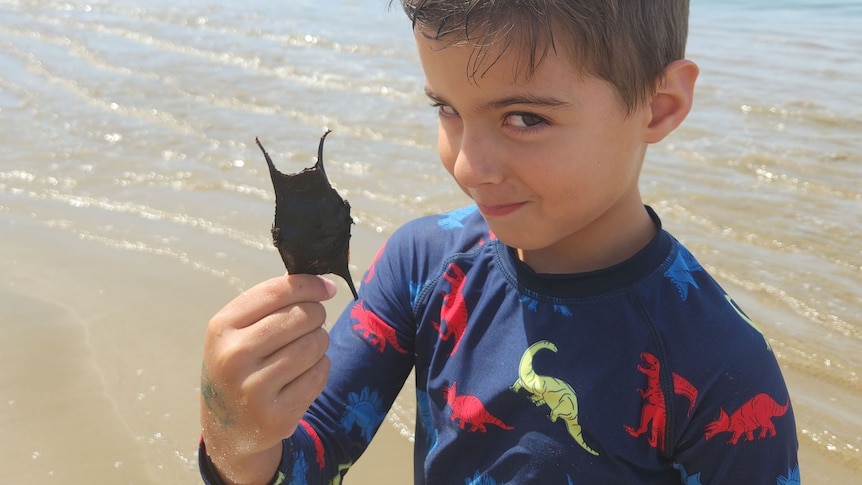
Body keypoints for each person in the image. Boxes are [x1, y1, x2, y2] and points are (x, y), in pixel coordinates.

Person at [198, 0, 800, 483]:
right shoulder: (424, 265)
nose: (467, 165)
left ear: (658, 107)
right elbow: (308, 459)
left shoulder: (719, 368)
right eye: (447, 109)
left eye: (524, 118)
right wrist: (235, 432)